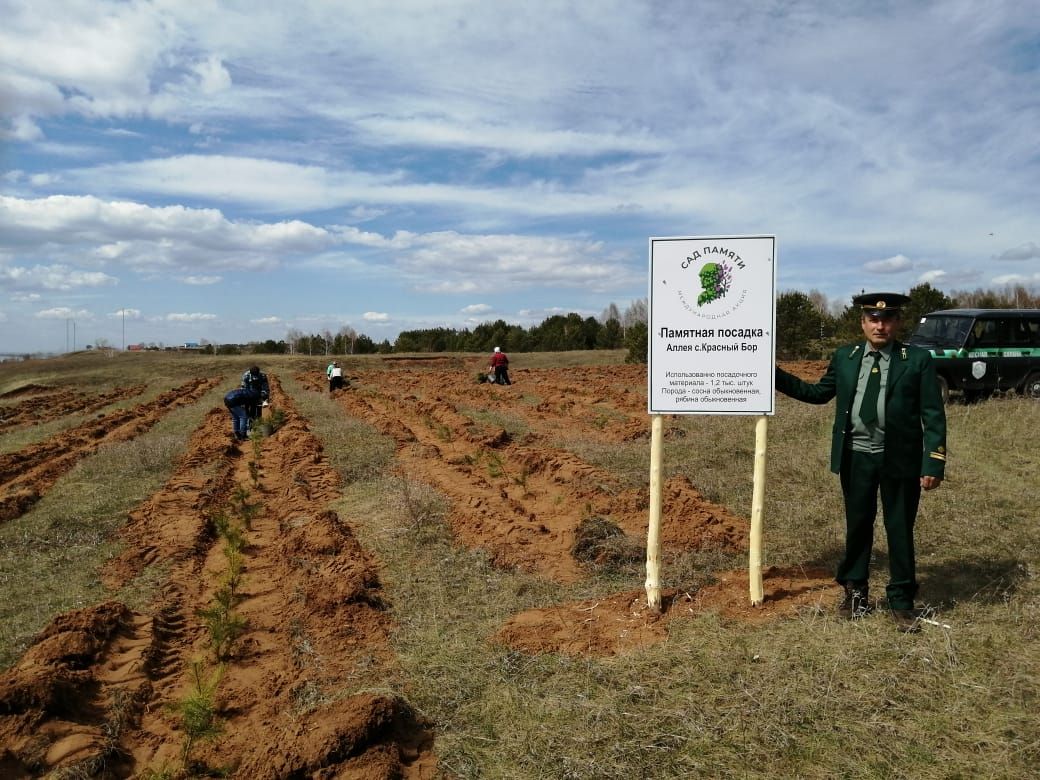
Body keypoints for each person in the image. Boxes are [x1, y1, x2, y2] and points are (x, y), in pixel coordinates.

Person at [775, 292, 947, 633]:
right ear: (863, 322)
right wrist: (772, 375)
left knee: (899, 528)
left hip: (900, 459)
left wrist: (933, 463)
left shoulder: (916, 360)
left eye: (887, 319)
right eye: (873, 319)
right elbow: (817, 394)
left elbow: (933, 413)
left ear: (898, 322)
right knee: (858, 526)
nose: (879, 325)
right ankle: (855, 593)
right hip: (856, 457)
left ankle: (901, 601)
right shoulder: (846, 357)